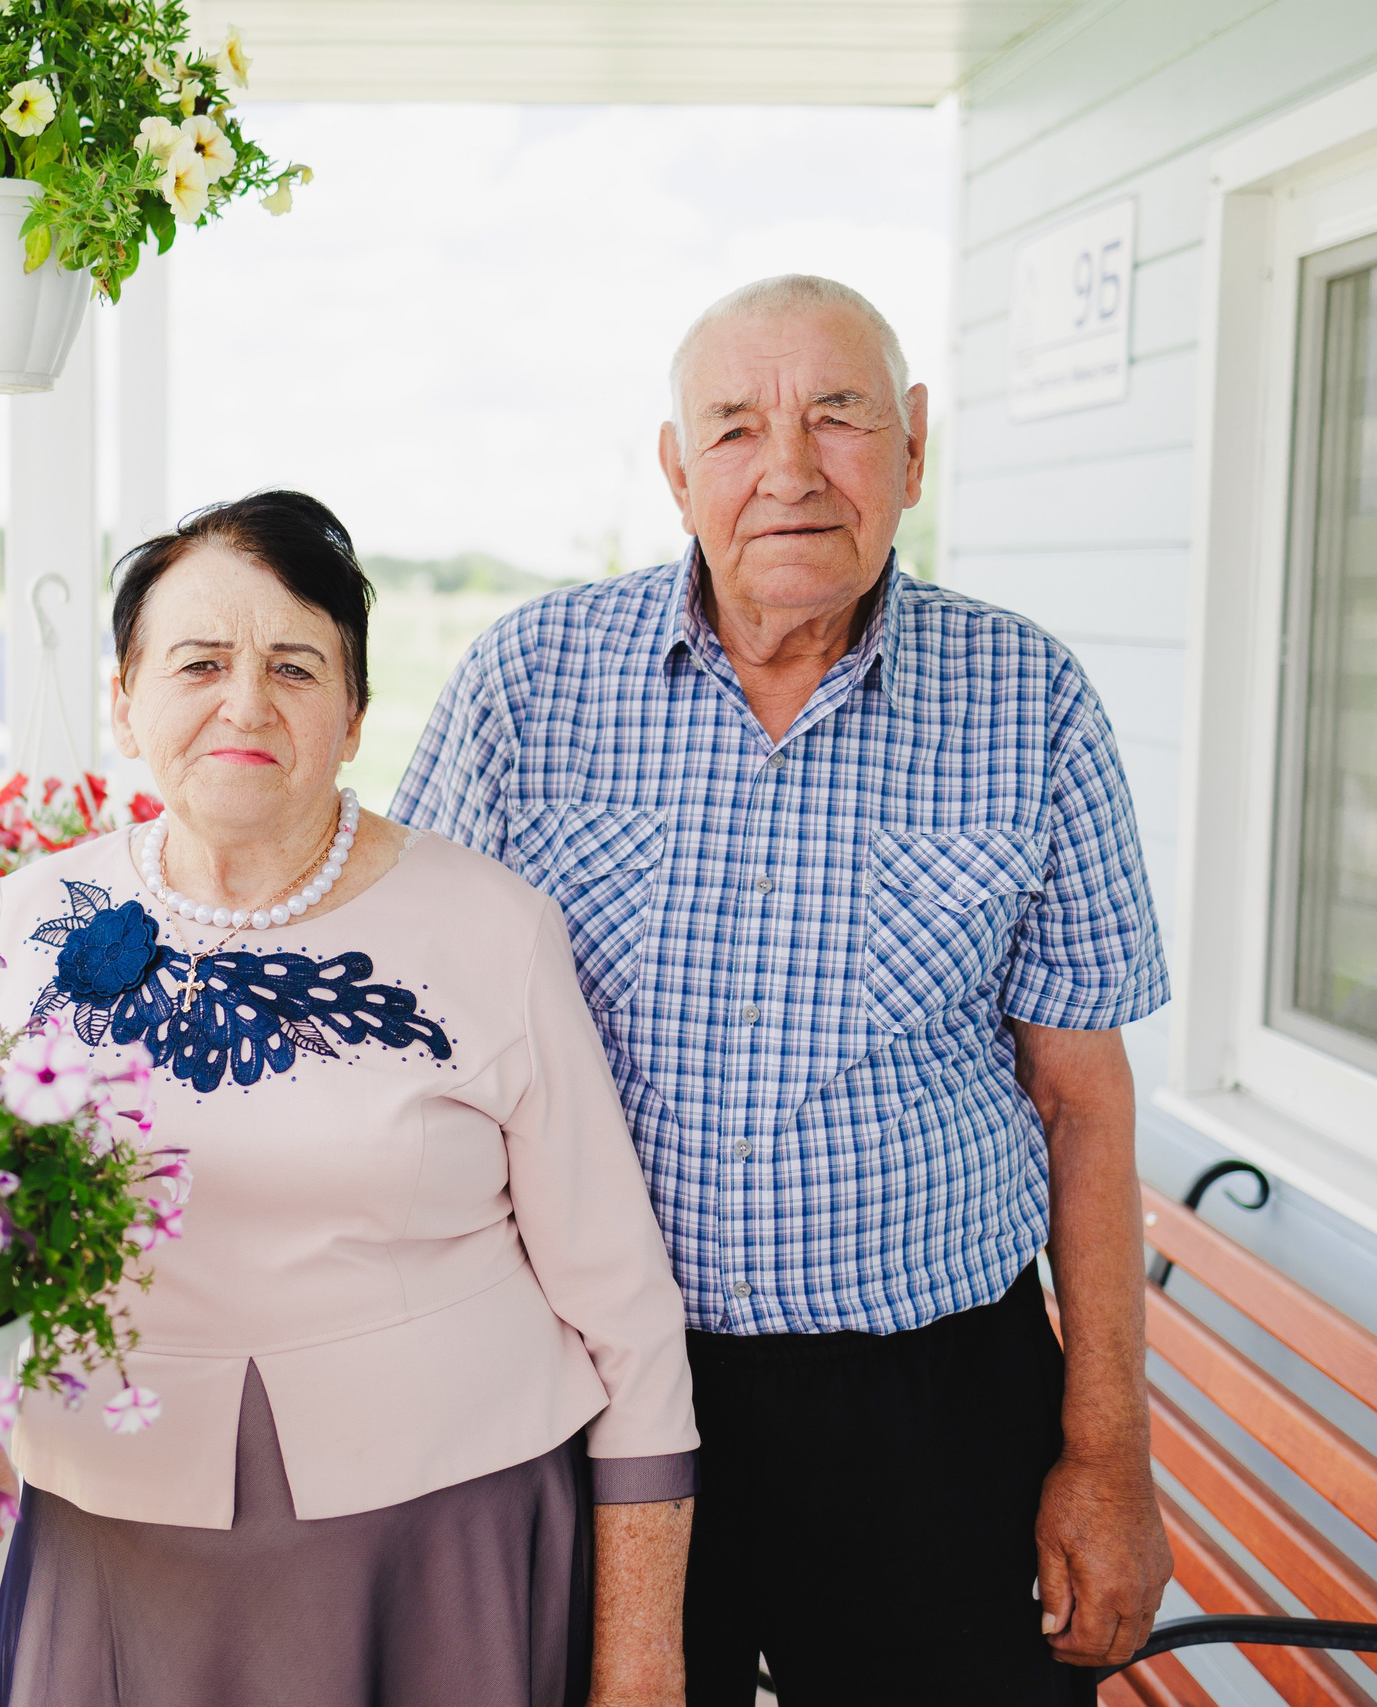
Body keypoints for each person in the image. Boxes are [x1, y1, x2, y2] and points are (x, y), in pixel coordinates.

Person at [391, 275, 1175, 1706]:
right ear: (678, 468)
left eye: (839, 415)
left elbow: (1084, 1103)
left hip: (932, 1404)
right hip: (603, 1392)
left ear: (917, 446)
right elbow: (408, 1041)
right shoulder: (531, 681)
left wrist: (1110, 1448)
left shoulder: (1031, 699)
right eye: (739, 429)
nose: (794, 471)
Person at [0, 489, 700, 1707]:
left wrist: (639, 1660)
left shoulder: (493, 928)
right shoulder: (32, 919)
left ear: (354, 714)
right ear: (125, 698)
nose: (244, 703)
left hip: (437, 1560)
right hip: (110, 1551)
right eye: (198, 661)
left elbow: (624, 1308)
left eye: (295, 667)